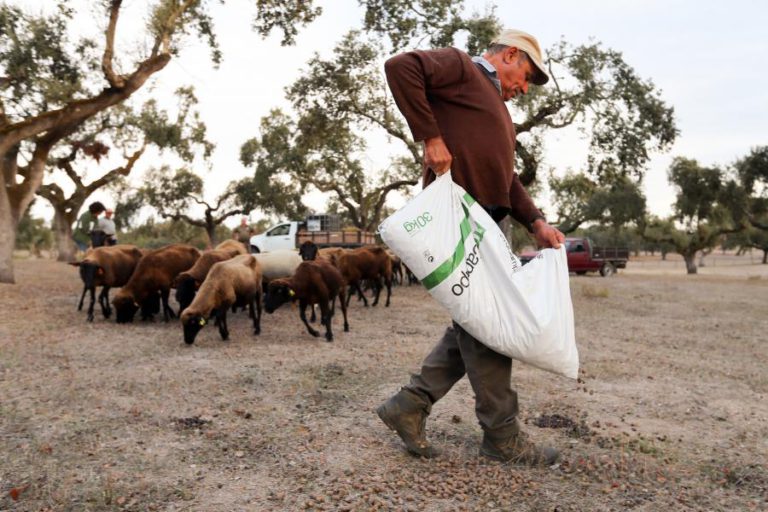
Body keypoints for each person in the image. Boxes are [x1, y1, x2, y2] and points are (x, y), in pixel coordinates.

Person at [377, 29, 565, 466]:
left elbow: (507, 178)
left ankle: (409, 404)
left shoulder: (498, 110)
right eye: (526, 77)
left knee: (477, 322)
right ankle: (502, 436)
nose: (523, 89)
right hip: (461, 218)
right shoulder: (463, 68)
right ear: (511, 55)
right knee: (492, 322)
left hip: (487, 221)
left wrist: (535, 221)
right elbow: (400, 66)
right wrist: (430, 137)